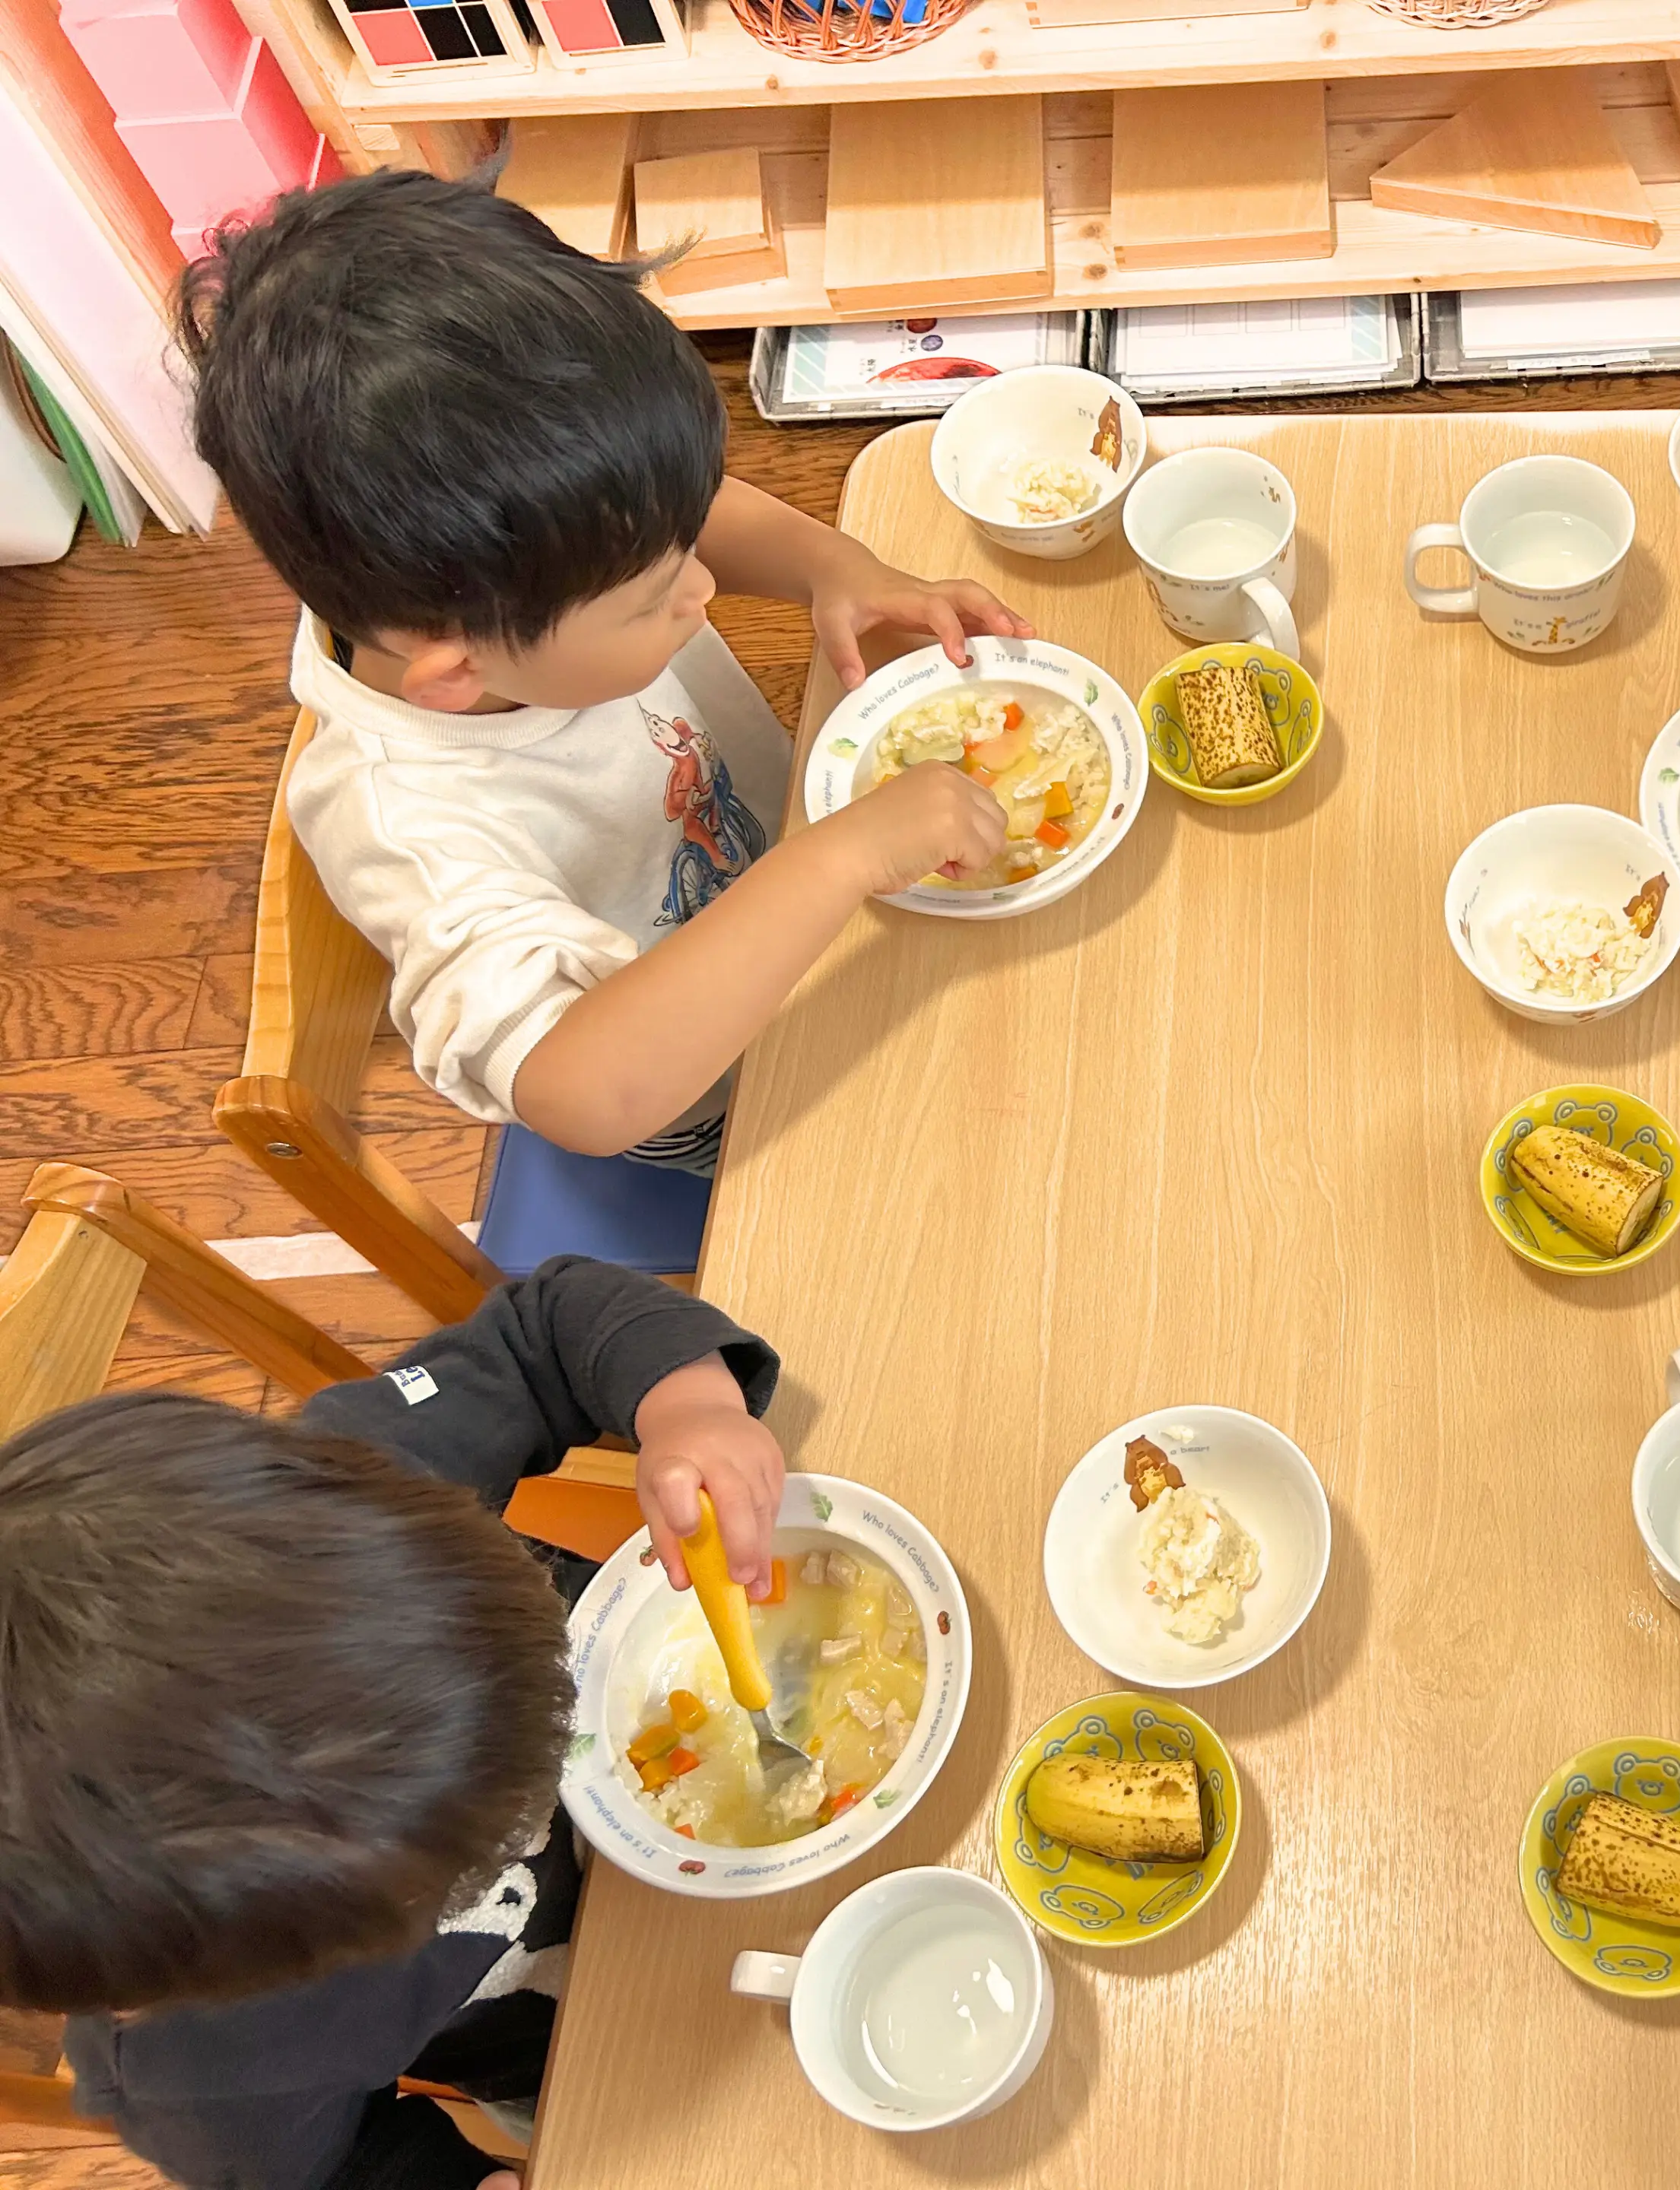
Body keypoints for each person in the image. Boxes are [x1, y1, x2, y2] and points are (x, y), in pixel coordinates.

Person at [176, 168, 1022, 1173]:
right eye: (653, 593)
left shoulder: (505, 576)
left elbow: (675, 519)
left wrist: (833, 568)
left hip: (821, 901)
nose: (701, 587)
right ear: (457, 674)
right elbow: (587, 1095)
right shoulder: (408, 831)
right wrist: (841, 858)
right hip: (732, 1093)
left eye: (680, 542)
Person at [0, 1257, 787, 2190]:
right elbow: (340, 2170)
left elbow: (546, 1326)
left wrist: (688, 1409)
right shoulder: (202, 2077)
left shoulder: (343, 1499)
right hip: (623, 2051)